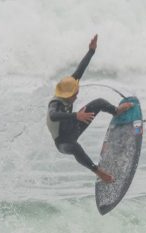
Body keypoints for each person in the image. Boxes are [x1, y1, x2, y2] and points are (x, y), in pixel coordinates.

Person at [46, 34, 133, 183]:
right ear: (67, 95)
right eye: (75, 94)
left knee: (98, 102)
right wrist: (76, 116)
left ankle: (116, 111)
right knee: (75, 147)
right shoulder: (56, 103)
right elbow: (53, 115)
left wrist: (91, 51)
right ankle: (98, 171)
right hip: (63, 141)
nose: (77, 95)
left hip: (73, 126)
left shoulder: (69, 86)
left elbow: (80, 70)